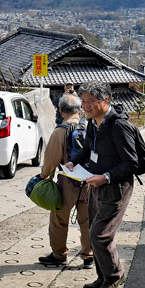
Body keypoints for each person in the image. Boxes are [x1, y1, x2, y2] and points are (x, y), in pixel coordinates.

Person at [65, 81, 138, 288]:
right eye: (83, 101)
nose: (85, 106)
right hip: (96, 184)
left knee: (100, 234)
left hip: (116, 188)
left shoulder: (118, 127)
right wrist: (73, 162)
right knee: (92, 232)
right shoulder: (93, 124)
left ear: (105, 100)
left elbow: (131, 162)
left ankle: (114, 275)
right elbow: (88, 150)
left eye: (91, 101)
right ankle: (102, 277)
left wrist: (106, 177)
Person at [37, 94, 93, 268]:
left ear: (61, 111)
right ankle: (89, 255)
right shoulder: (89, 127)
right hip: (89, 181)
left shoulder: (60, 131)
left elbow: (51, 159)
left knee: (59, 220)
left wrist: (44, 175)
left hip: (67, 181)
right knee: (87, 220)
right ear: (80, 109)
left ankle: (59, 254)